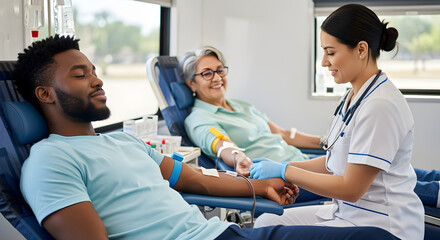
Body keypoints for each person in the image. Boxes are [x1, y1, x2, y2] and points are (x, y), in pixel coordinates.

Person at [14, 35, 300, 239]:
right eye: (80, 75)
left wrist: (261, 187)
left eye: (94, 71)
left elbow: (196, 179)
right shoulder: (50, 162)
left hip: (222, 232)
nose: (98, 80)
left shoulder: (125, 141)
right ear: (45, 94)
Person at [249, 4, 425, 240]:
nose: (323, 62)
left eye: (330, 53)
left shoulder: (380, 105)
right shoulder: (355, 94)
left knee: (269, 234)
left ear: (361, 49)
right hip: (348, 214)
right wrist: (283, 165)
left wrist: (286, 171)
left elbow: (351, 189)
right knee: (267, 220)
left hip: (381, 226)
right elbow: (335, 161)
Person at [181, 46, 323, 176]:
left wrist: (328, 142)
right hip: (283, 176)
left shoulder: (242, 105)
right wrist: (238, 157)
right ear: (192, 83)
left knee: (340, 163)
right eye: (207, 74)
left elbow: (283, 134)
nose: (217, 78)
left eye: (220, 70)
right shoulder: (199, 118)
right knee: (343, 174)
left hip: (302, 161)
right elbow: (223, 144)